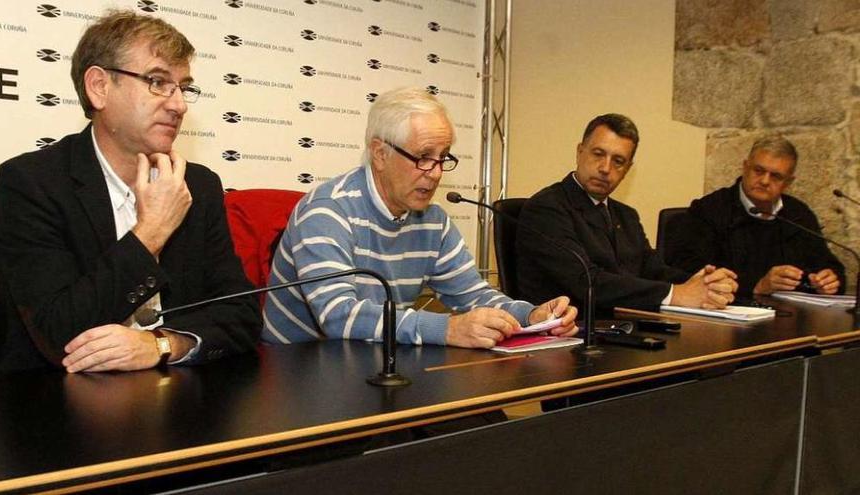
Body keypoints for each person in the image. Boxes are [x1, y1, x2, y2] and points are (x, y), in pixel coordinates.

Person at [0, 10, 259, 372]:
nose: (179, 104)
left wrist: (163, 344)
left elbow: (242, 314)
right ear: (99, 87)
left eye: (183, 87)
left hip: (179, 401)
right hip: (60, 405)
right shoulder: (32, 182)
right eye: (157, 82)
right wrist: (150, 233)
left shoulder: (199, 185)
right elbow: (59, 333)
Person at [263, 87, 578, 348]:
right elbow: (338, 315)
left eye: (442, 158)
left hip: (374, 362)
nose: (436, 173)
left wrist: (531, 315)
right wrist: (447, 329)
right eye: (424, 157)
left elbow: (473, 295)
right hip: (298, 373)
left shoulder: (433, 220)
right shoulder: (327, 211)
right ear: (380, 153)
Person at [516, 113, 738, 311]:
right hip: (567, 336)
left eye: (618, 161)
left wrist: (704, 284)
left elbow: (653, 270)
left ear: (628, 170)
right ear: (579, 152)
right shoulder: (547, 208)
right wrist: (676, 294)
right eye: (598, 154)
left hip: (621, 327)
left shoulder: (626, 215)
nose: (605, 168)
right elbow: (587, 283)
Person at [665, 135, 844, 298]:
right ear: (745, 167)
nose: (765, 181)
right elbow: (689, 271)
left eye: (776, 176)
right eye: (758, 171)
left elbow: (828, 264)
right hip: (727, 318)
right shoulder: (709, 209)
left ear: (788, 182)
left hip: (789, 317)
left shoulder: (798, 215)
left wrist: (829, 280)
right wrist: (756, 285)